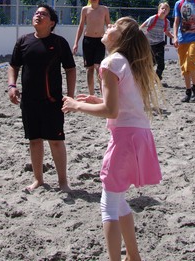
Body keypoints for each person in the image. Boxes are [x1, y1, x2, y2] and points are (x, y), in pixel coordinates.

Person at [62, 17, 162, 261]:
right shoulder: (127, 62)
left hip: (125, 139)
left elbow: (111, 111)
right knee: (119, 201)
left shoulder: (111, 62)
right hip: (140, 136)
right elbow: (123, 104)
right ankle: (134, 256)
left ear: (122, 38)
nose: (108, 27)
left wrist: (76, 105)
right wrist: (97, 101)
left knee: (108, 205)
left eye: (115, 26)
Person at [8, 4, 77, 192]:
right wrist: (12, 86)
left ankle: (63, 182)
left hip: (52, 101)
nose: (38, 16)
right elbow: (14, 65)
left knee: (56, 141)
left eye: (43, 14)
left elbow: (70, 69)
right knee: (34, 140)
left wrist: (70, 96)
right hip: (29, 101)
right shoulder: (23, 41)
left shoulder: (59, 43)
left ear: (52, 22)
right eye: (37, 13)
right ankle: (38, 180)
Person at [72, 0, 111, 97]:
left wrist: (111, 39)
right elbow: (81, 26)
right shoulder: (85, 10)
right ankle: (91, 95)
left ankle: (103, 94)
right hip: (88, 41)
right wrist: (76, 43)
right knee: (89, 69)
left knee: (98, 67)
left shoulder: (104, 9)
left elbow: (108, 25)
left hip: (100, 41)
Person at [140, 2, 170, 83]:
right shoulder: (153, 18)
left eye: (166, 9)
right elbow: (142, 26)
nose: (164, 10)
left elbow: (167, 32)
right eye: (162, 8)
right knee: (151, 62)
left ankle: (157, 78)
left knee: (161, 63)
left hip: (159, 43)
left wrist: (175, 38)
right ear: (158, 10)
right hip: (149, 44)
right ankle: (145, 77)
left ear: (168, 12)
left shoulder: (167, 22)